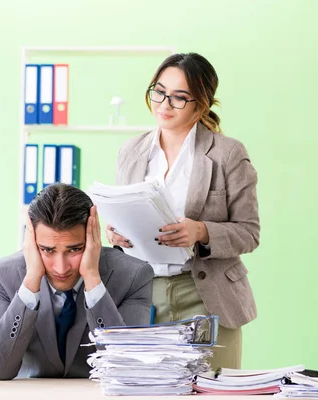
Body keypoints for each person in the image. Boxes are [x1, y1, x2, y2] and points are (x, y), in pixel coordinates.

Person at [106, 53, 260, 369]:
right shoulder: (131, 152)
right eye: (159, 92)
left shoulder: (228, 153)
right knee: (147, 387)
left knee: (213, 390)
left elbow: (249, 232)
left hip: (206, 294)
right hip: (144, 294)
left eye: (179, 98)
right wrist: (117, 234)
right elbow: (123, 214)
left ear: (201, 105)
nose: (164, 104)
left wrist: (202, 231)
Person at [0, 183, 154, 379]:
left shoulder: (134, 275)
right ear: (31, 241)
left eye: (74, 249)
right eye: (47, 250)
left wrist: (92, 280)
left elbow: (126, 371)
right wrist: (30, 282)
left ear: (92, 238)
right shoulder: (0, 275)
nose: (60, 268)